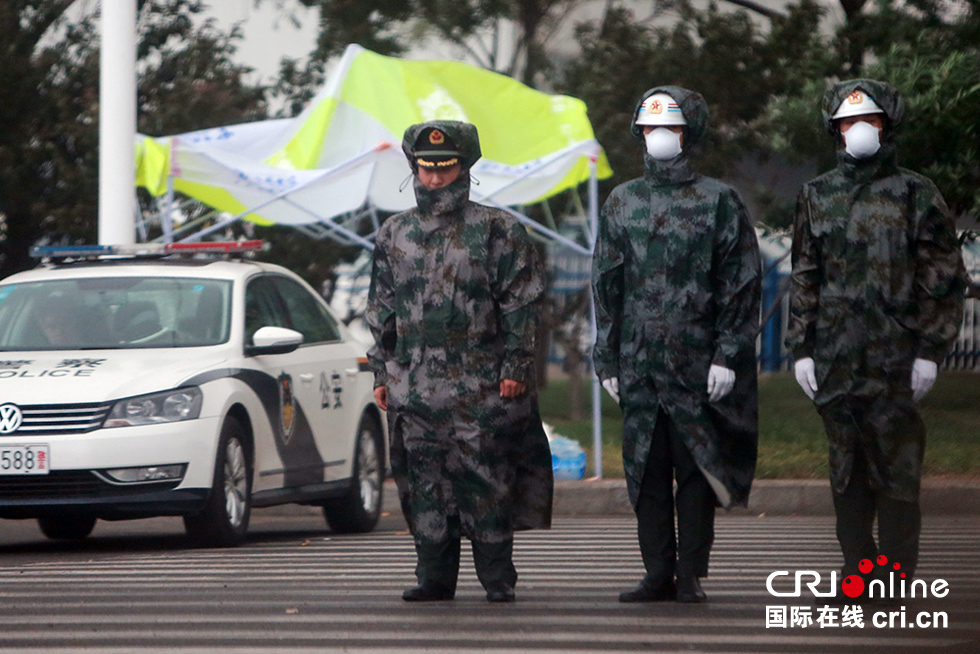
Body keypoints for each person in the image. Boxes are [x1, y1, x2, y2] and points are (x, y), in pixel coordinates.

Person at [787, 79, 966, 591]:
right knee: (846, 474)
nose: (859, 128)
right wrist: (801, 347)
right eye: (847, 121)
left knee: (898, 474)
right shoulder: (816, 194)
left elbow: (943, 276)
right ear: (835, 130)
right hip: (836, 359)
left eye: (869, 119)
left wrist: (931, 350)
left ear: (887, 125)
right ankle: (858, 573)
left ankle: (896, 578)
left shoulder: (916, 191)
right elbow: (806, 273)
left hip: (896, 358)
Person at [366, 120, 553, 603]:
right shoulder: (395, 233)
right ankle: (433, 577)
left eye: (444, 168)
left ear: (463, 167)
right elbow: (380, 309)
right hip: (415, 383)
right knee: (422, 480)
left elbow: (521, 303)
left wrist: (515, 366)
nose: (433, 179)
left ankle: (497, 579)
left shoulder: (497, 229)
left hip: (481, 384)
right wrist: (382, 371)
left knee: (485, 478)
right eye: (426, 169)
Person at [592, 87, 761, 604]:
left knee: (693, 469)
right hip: (639, 361)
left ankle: (689, 573)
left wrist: (728, 354)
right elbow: (606, 283)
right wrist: (607, 357)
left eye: (669, 127)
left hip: (696, 360)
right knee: (644, 469)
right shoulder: (623, 199)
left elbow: (741, 281)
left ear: (690, 133)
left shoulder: (718, 199)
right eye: (649, 128)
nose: (659, 136)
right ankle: (656, 572)